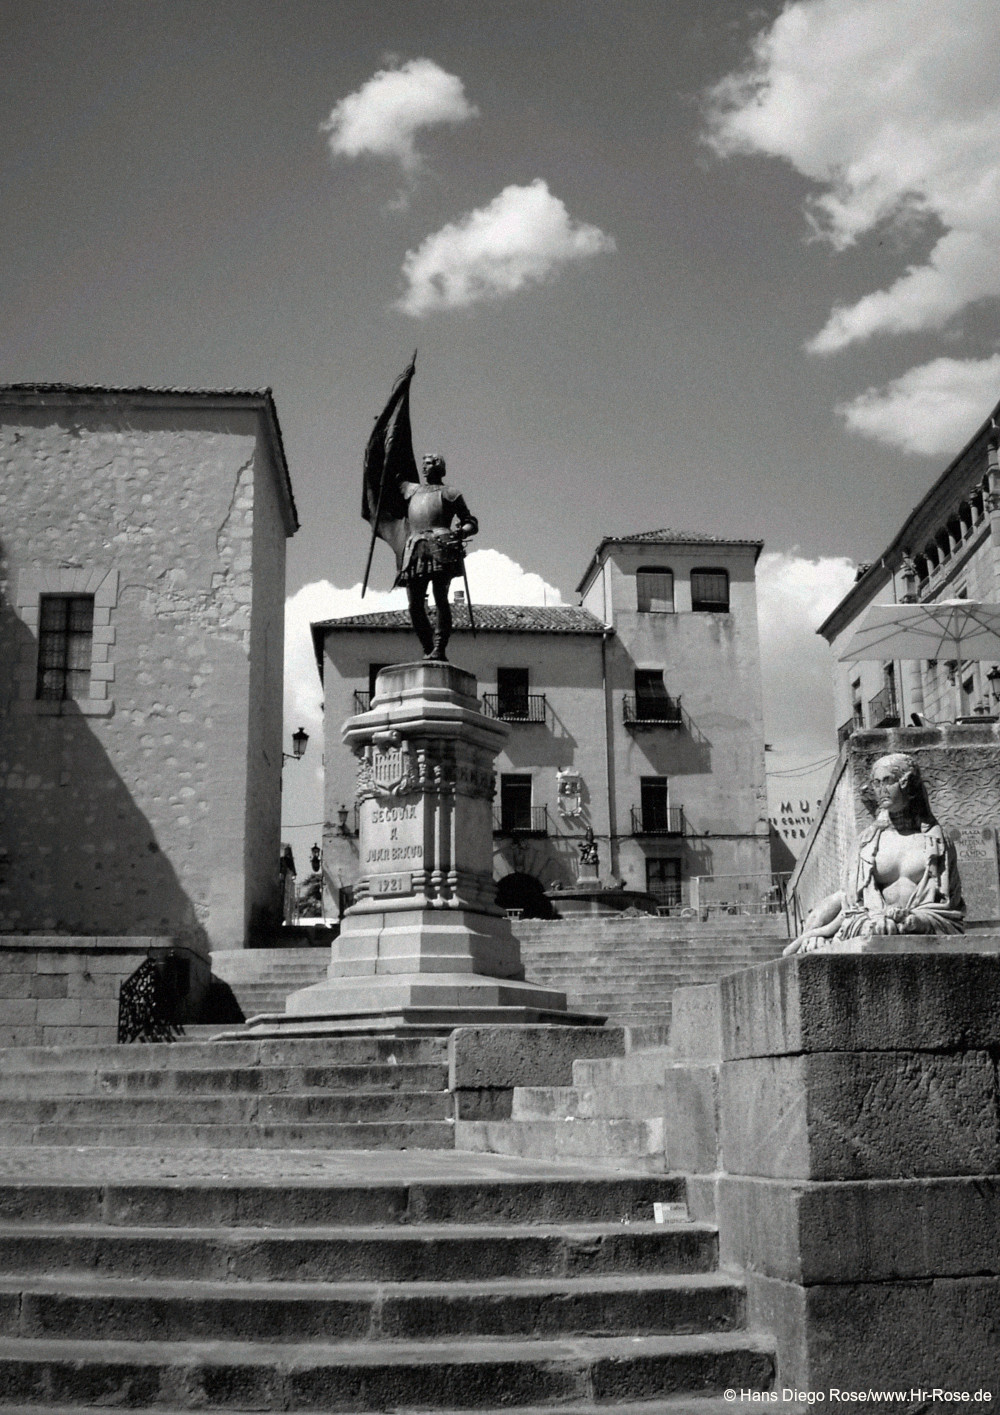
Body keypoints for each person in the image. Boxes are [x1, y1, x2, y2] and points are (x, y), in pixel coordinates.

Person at [785, 752, 964, 954]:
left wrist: (918, 920)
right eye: (876, 783)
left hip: (919, 924)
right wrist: (872, 920)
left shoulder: (938, 842)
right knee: (835, 901)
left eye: (888, 781)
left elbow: (951, 909)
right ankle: (811, 935)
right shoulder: (866, 843)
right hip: (868, 920)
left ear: (907, 784)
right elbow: (852, 905)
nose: (881, 790)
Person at [394, 454, 477, 660]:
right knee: (414, 605)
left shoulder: (450, 493)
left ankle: (439, 647)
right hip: (415, 549)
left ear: (439, 467)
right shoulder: (410, 491)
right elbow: (391, 481)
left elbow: (471, 522)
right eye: (423, 464)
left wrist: (462, 531)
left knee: (440, 599)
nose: (425, 467)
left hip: (441, 547)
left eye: (429, 463)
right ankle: (427, 647)